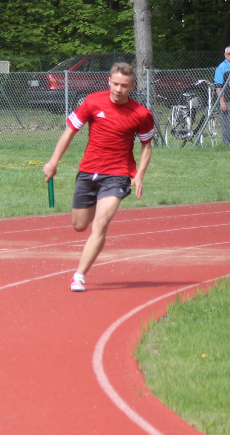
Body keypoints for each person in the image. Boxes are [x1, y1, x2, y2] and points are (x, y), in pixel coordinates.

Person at [43, 62, 154, 292]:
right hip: (88, 171)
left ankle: (79, 276)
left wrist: (140, 175)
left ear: (132, 86)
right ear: (109, 81)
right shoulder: (93, 101)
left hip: (118, 174)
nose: (118, 89)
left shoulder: (141, 114)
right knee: (79, 225)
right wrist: (53, 162)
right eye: (115, 84)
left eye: (124, 85)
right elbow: (69, 133)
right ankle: (92, 206)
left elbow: (146, 146)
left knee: (101, 223)